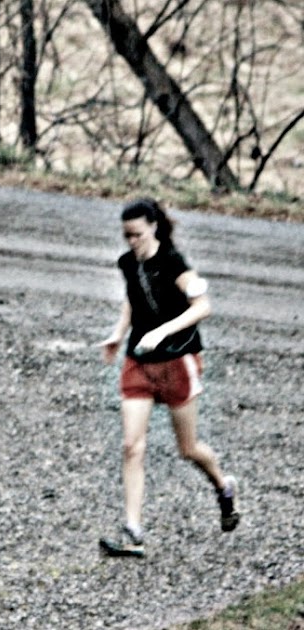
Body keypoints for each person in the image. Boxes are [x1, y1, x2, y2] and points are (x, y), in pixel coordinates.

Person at [96, 198, 239, 558]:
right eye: (126, 236)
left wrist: (163, 332)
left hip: (177, 362)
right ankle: (133, 530)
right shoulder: (128, 263)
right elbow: (133, 299)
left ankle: (223, 486)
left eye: (138, 235)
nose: (132, 242)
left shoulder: (173, 263)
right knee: (132, 446)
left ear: (153, 227)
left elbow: (203, 305)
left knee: (188, 449)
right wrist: (118, 333)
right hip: (138, 363)